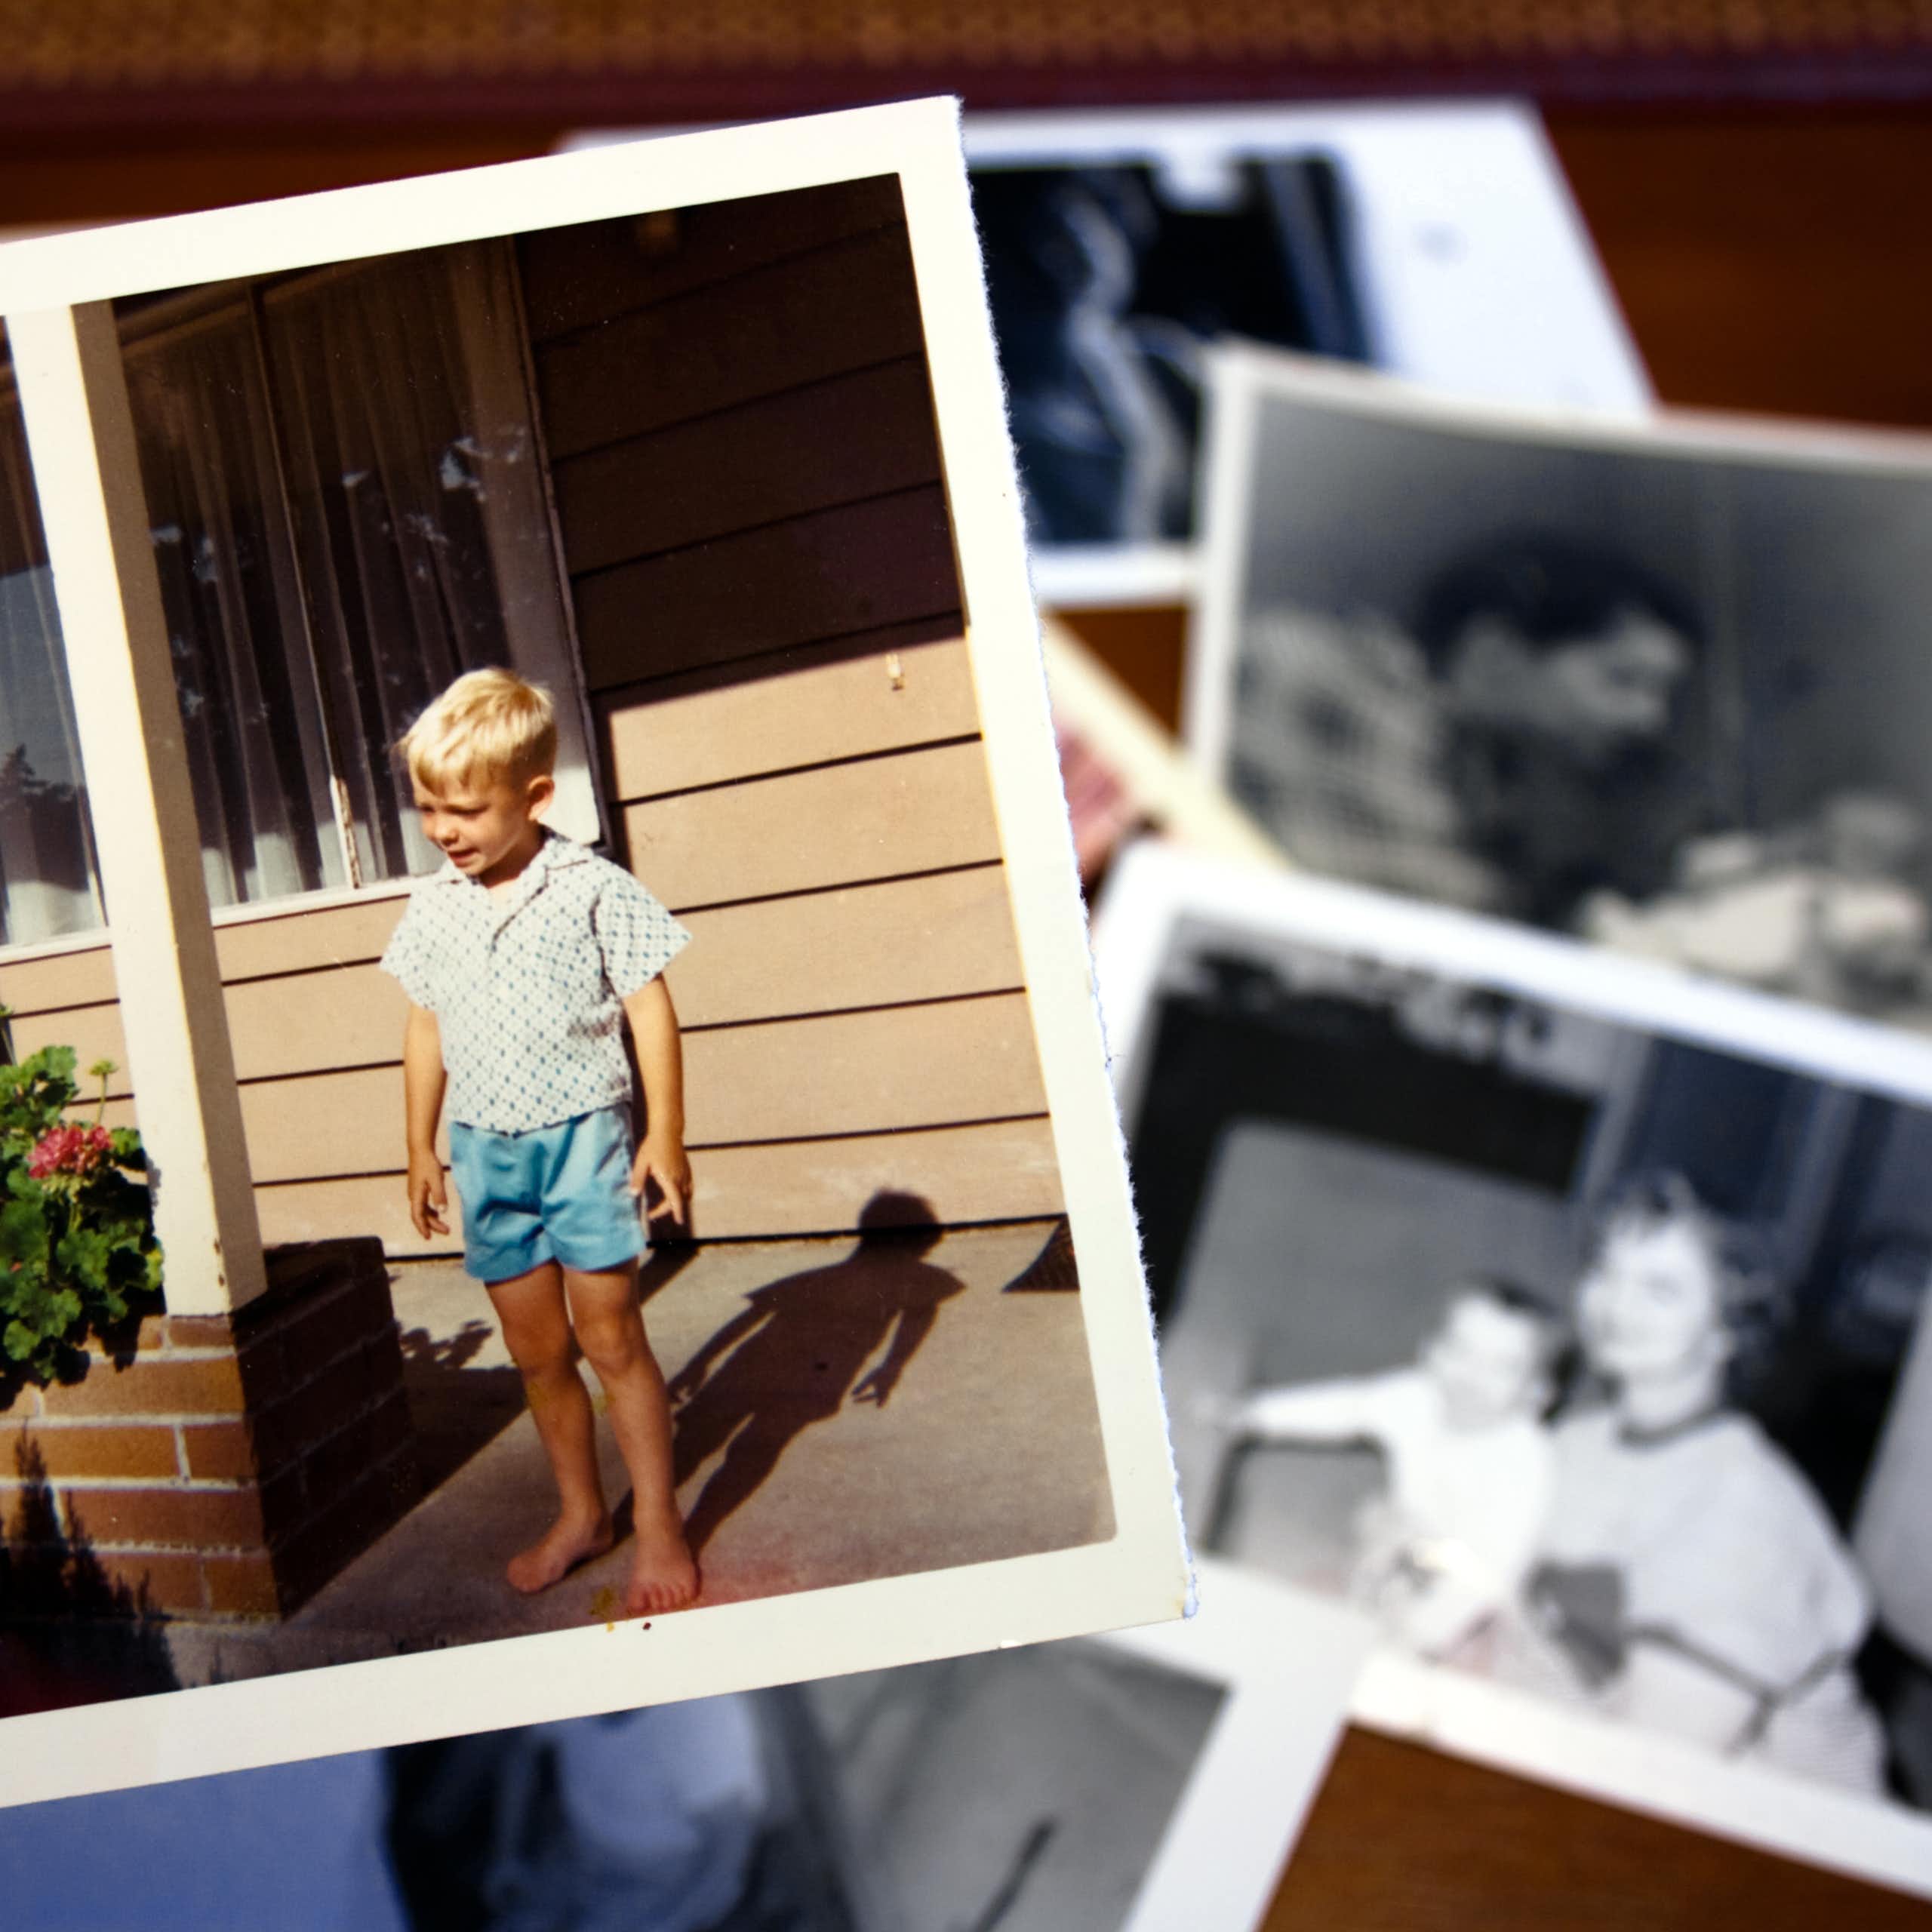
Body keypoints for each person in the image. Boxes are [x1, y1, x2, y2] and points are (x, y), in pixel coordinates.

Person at [379, 668, 700, 1619]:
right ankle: (579, 1514)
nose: (445, 829)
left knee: (611, 1338)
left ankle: (659, 1523)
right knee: (537, 1351)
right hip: (486, 1151)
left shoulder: (592, 887)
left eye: (466, 809)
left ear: (535, 796)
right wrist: (419, 1147)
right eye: (430, 807)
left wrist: (667, 1135)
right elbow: (425, 1025)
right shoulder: (434, 904)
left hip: (582, 1145)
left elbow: (652, 1008)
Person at [1508, 1175, 1887, 1791]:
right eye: (1608, 1272)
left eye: (1660, 1289)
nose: (1616, 1305)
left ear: (1727, 1329)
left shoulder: (1745, 1508)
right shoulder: (1580, 1441)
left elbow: (1651, 1770)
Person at [1229, 531, 1703, 928]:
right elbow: (1442, 909)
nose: (1650, 720)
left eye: (1664, 696)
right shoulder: (1333, 681)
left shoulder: (1489, 766)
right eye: (1623, 680)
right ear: (1494, 656)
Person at [1217, 1279, 1560, 1659]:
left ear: (1537, 1394)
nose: (1470, 1376)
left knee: (1467, 1666)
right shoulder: (1416, 1397)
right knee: (1316, 1595)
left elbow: (1495, 1569)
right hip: (1395, 1555)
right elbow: (1347, 1407)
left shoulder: (1525, 1461)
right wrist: (1255, 1414)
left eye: (1500, 1367)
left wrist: (1424, 1635)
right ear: (1429, 1349)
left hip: (1474, 1591)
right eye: (1459, 1349)